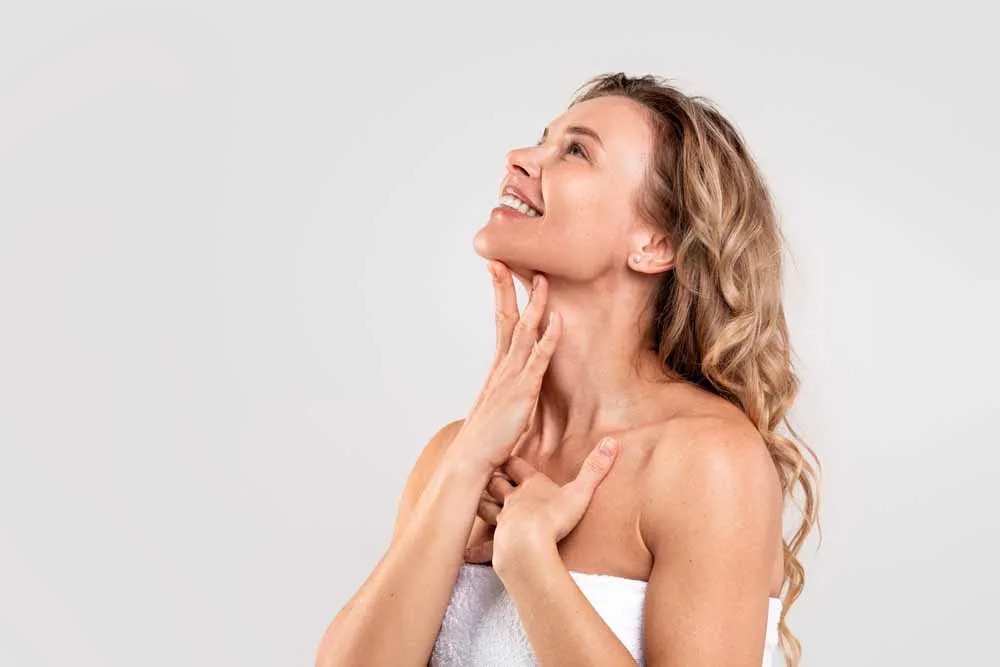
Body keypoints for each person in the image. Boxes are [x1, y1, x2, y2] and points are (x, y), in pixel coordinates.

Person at [316, 72, 821, 667]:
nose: (520, 158)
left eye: (575, 150)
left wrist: (532, 564)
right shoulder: (457, 455)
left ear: (655, 243)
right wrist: (464, 466)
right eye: (543, 139)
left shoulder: (706, 461)